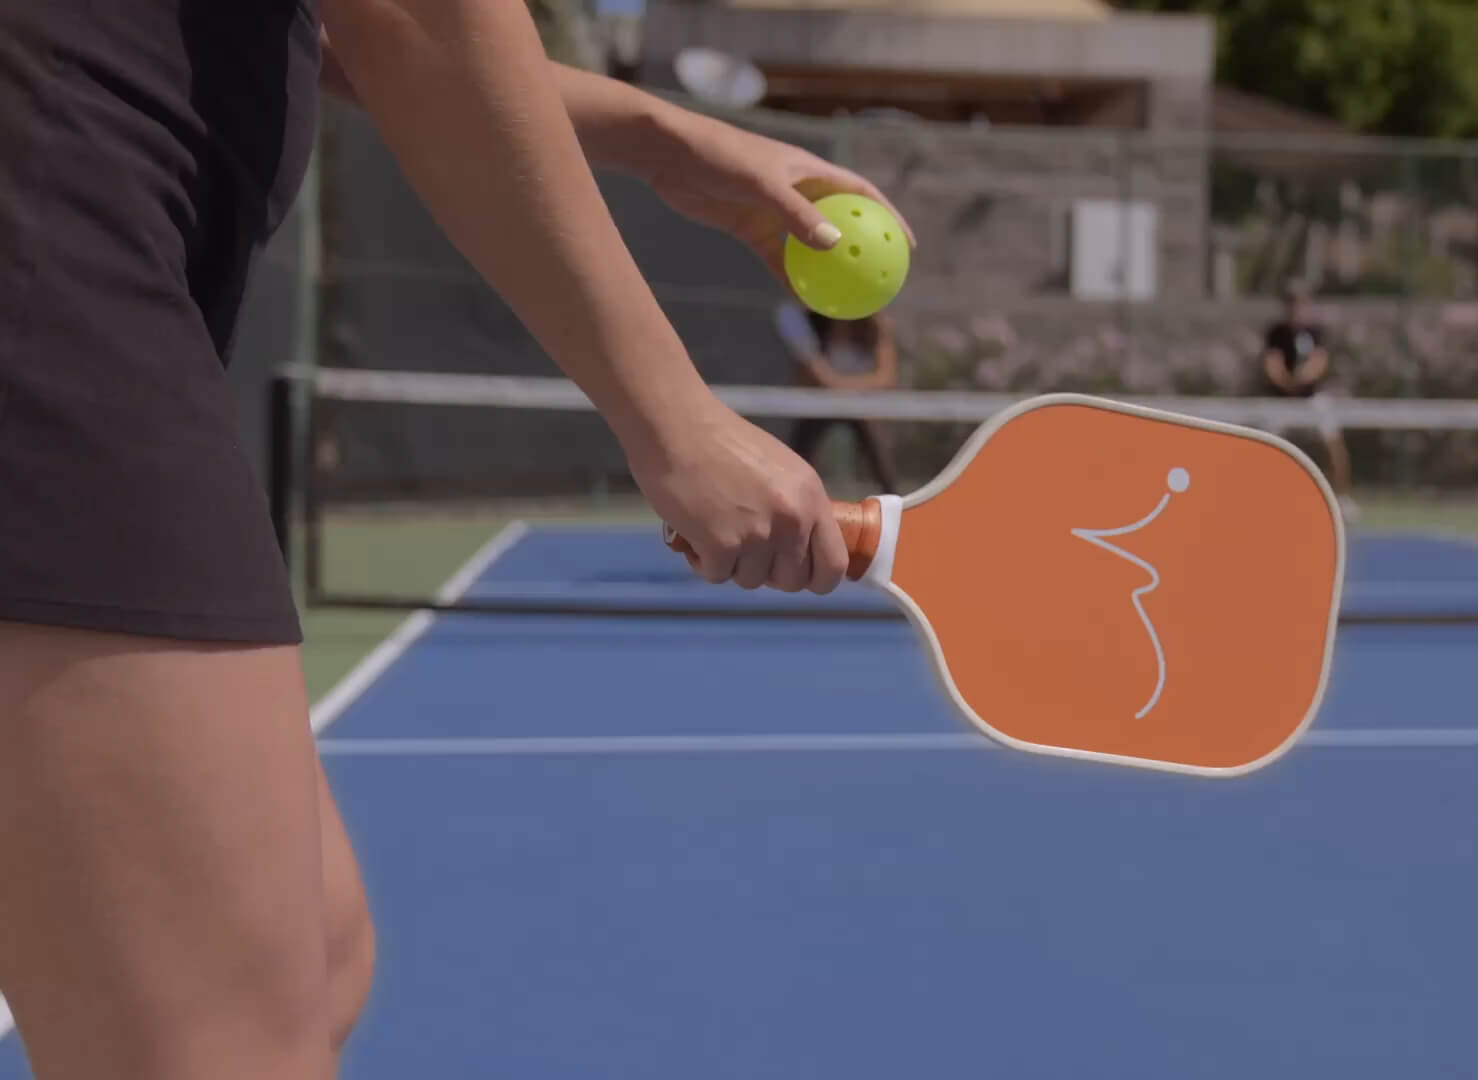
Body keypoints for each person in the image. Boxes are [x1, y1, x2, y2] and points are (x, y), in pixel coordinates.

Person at [0, 1, 911, 1077]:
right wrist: (675, 417)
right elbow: (419, 15)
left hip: (83, 244)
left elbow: (330, 34)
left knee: (316, 950)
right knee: (225, 1040)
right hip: (52, 253)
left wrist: (663, 138)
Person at [772, 302, 902, 495]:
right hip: (819, 405)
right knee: (798, 456)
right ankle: (788, 497)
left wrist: (843, 389)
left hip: (861, 407)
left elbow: (885, 377)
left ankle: (894, 498)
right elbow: (814, 374)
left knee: (880, 456)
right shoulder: (810, 324)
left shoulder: (874, 329)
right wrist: (841, 388)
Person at [1260, 286, 1357, 518]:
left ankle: (1343, 498)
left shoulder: (1315, 332)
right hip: (1281, 401)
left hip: (1312, 400)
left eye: (1301, 304)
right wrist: (1287, 382)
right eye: (1292, 304)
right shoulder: (1276, 333)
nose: (1296, 309)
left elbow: (1319, 362)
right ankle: (1261, 498)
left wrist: (1302, 378)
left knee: (1333, 443)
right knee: (1264, 446)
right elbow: (1272, 364)